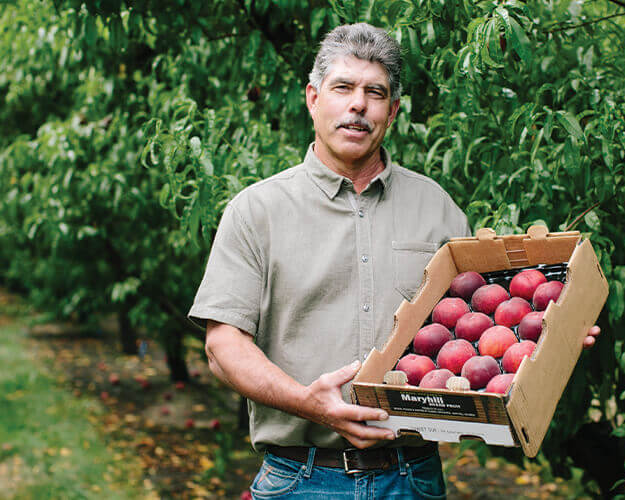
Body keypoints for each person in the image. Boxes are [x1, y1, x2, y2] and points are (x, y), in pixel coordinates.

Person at [189, 23, 600, 499]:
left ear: (394, 110)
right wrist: (309, 403)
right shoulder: (257, 211)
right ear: (313, 99)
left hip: (413, 477)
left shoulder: (437, 208)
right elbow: (222, 346)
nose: (358, 104)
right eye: (343, 88)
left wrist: (551, 331)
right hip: (302, 478)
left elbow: (485, 325)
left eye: (375, 93)